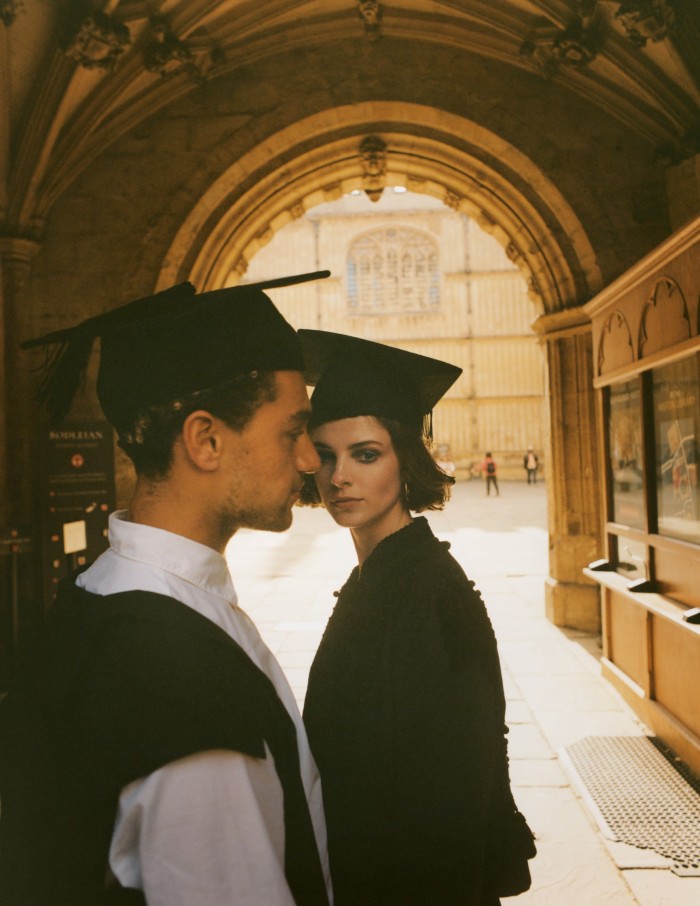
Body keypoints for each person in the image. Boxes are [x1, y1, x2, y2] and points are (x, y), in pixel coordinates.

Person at [0, 275, 333, 906]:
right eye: (293, 430)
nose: (312, 460)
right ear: (205, 441)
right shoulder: (180, 684)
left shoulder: (96, 595)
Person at [298, 331, 535, 906]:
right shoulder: (381, 577)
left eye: (366, 454)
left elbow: (452, 796)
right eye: (326, 456)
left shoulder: (427, 593)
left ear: (407, 459)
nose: (339, 477)